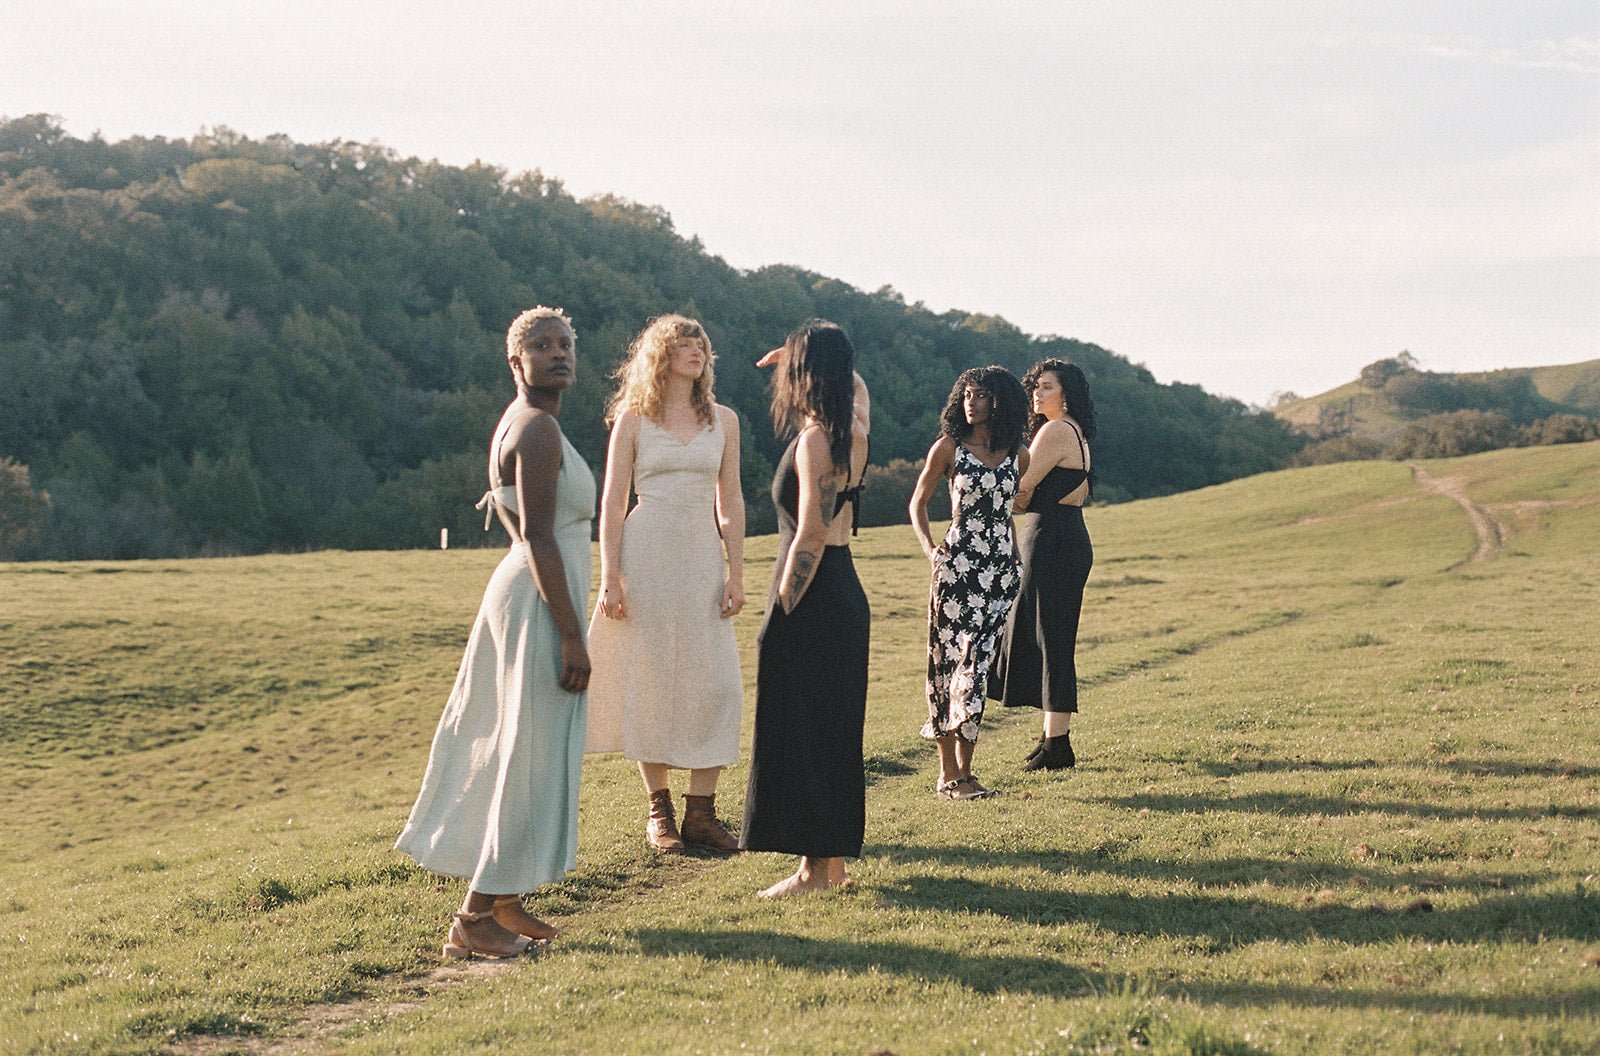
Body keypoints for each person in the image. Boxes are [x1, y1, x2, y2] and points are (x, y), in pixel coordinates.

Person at [395, 306, 594, 958]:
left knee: (525, 747)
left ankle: (507, 900)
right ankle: (474, 919)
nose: (558, 353)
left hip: (527, 591)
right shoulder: (535, 429)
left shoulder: (528, 422)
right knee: (527, 753)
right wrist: (570, 633)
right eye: (541, 345)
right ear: (517, 362)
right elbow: (536, 534)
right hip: (540, 603)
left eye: (565, 343)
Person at [585, 315, 745, 854]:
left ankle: (704, 812)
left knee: (715, 679)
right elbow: (612, 501)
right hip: (645, 552)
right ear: (659, 354)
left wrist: (737, 570)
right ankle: (661, 811)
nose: (695, 350)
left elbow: (732, 500)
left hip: (701, 556)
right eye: (682, 342)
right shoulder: (632, 419)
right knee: (648, 678)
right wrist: (610, 575)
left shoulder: (724, 419)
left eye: (701, 341)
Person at [741, 320, 870, 897]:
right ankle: (827, 866)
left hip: (814, 591)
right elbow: (858, 389)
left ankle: (813, 873)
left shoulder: (817, 439)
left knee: (802, 730)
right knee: (831, 731)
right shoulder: (854, 430)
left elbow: (811, 534)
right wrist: (819, 355)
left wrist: (782, 608)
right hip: (844, 591)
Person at [909, 366, 1029, 800]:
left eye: (980, 396)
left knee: (977, 669)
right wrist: (930, 552)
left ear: (1001, 402)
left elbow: (1006, 513)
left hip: (1000, 573)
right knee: (948, 665)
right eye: (965, 395)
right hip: (957, 569)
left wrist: (1015, 556)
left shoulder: (1020, 454)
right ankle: (949, 774)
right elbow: (917, 504)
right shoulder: (948, 448)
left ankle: (966, 771)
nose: (970, 403)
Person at [988, 359, 1096, 771]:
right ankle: (1052, 739)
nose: (1036, 393)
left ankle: (1058, 747)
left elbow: (1019, 488)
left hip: (1051, 541)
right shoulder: (1075, 432)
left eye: (1046, 387)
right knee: (1049, 637)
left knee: (1053, 641)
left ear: (1065, 393)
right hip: (1062, 537)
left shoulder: (1055, 430)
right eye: (1034, 387)